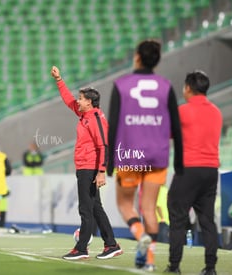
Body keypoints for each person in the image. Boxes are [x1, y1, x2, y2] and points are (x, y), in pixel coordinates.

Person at [107, 40, 183, 271]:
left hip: (130, 154)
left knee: (125, 205)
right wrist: (179, 160)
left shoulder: (121, 85)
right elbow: (177, 126)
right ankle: (148, 260)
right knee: (149, 208)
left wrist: (108, 162)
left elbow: (112, 125)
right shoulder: (166, 86)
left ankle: (141, 236)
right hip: (157, 156)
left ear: (137, 57)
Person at [51, 65, 123, 260]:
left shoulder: (95, 118)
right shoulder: (85, 115)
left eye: (81, 98)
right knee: (95, 208)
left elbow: (104, 145)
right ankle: (111, 244)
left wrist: (101, 171)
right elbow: (68, 100)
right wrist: (59, 80)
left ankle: (81, 248)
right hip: (86, 166)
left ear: (90, 102)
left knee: (86, 209)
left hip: (90, 168)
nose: (78, 100)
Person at [165, 71, 222, 275]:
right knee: (207, 220)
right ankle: (210, 268)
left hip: (188, 169)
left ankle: (174, 266)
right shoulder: (216, 112)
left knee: (178, 218)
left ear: (188, 88)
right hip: (211, 170)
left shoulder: (183, 111)